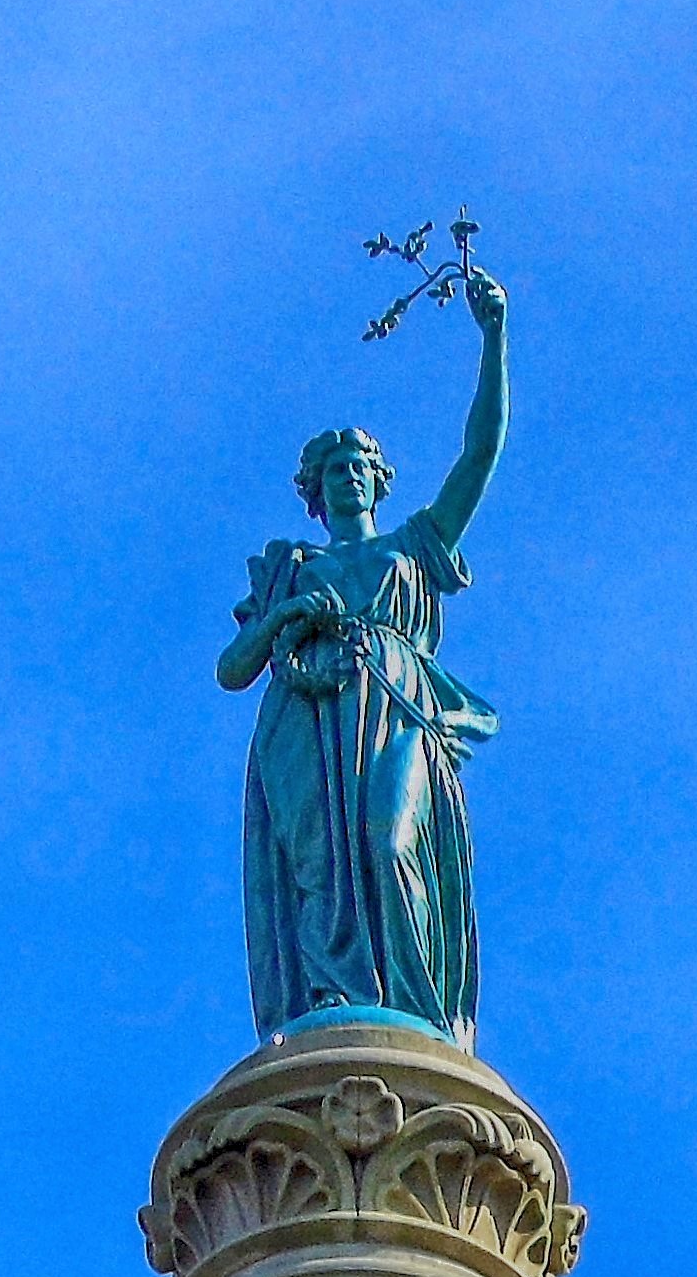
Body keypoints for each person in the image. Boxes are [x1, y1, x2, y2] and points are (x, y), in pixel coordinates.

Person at [218, 269, 509, 1048]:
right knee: (317, 867)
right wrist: (288, 613)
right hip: (304, 715)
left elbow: (478, 456)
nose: (348, 476)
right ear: (314, 491)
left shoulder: (414, 546)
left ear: (378, 480)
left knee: (389, 841)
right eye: (332, 470)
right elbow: (232, 668)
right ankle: (330, 1005)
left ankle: (415, 1018)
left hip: (397, 702)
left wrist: (493, 337)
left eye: (359, 465)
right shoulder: (289, 561)